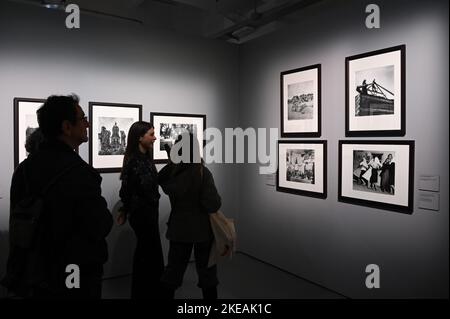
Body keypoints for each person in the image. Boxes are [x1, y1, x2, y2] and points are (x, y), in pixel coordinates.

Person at [1, 94, 113, 299]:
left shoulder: (24, 169)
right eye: (82, 119)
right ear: (66, 127)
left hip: (35, 269)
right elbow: (99, 225)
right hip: (73, 269)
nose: (87, 124)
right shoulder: (80, 172)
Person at [158, 132, 221, 300]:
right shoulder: (202, 173)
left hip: (179, 229)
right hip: (202, 231)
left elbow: (161, 180)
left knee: (172, 273)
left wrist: (172, 162)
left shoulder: (174, 174)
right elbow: (213, 204)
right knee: (207, 275)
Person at [117, 121, 164, 299]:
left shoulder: (145, 159)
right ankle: (145, 292)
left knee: (149, 253)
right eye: (151, 134)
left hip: (149, 213)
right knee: (148, 253)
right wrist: (124, 210)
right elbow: (126, 190)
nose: (155, 138)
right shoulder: (134, 161)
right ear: (140, 137)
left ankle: (148, 291)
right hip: (142, 215)